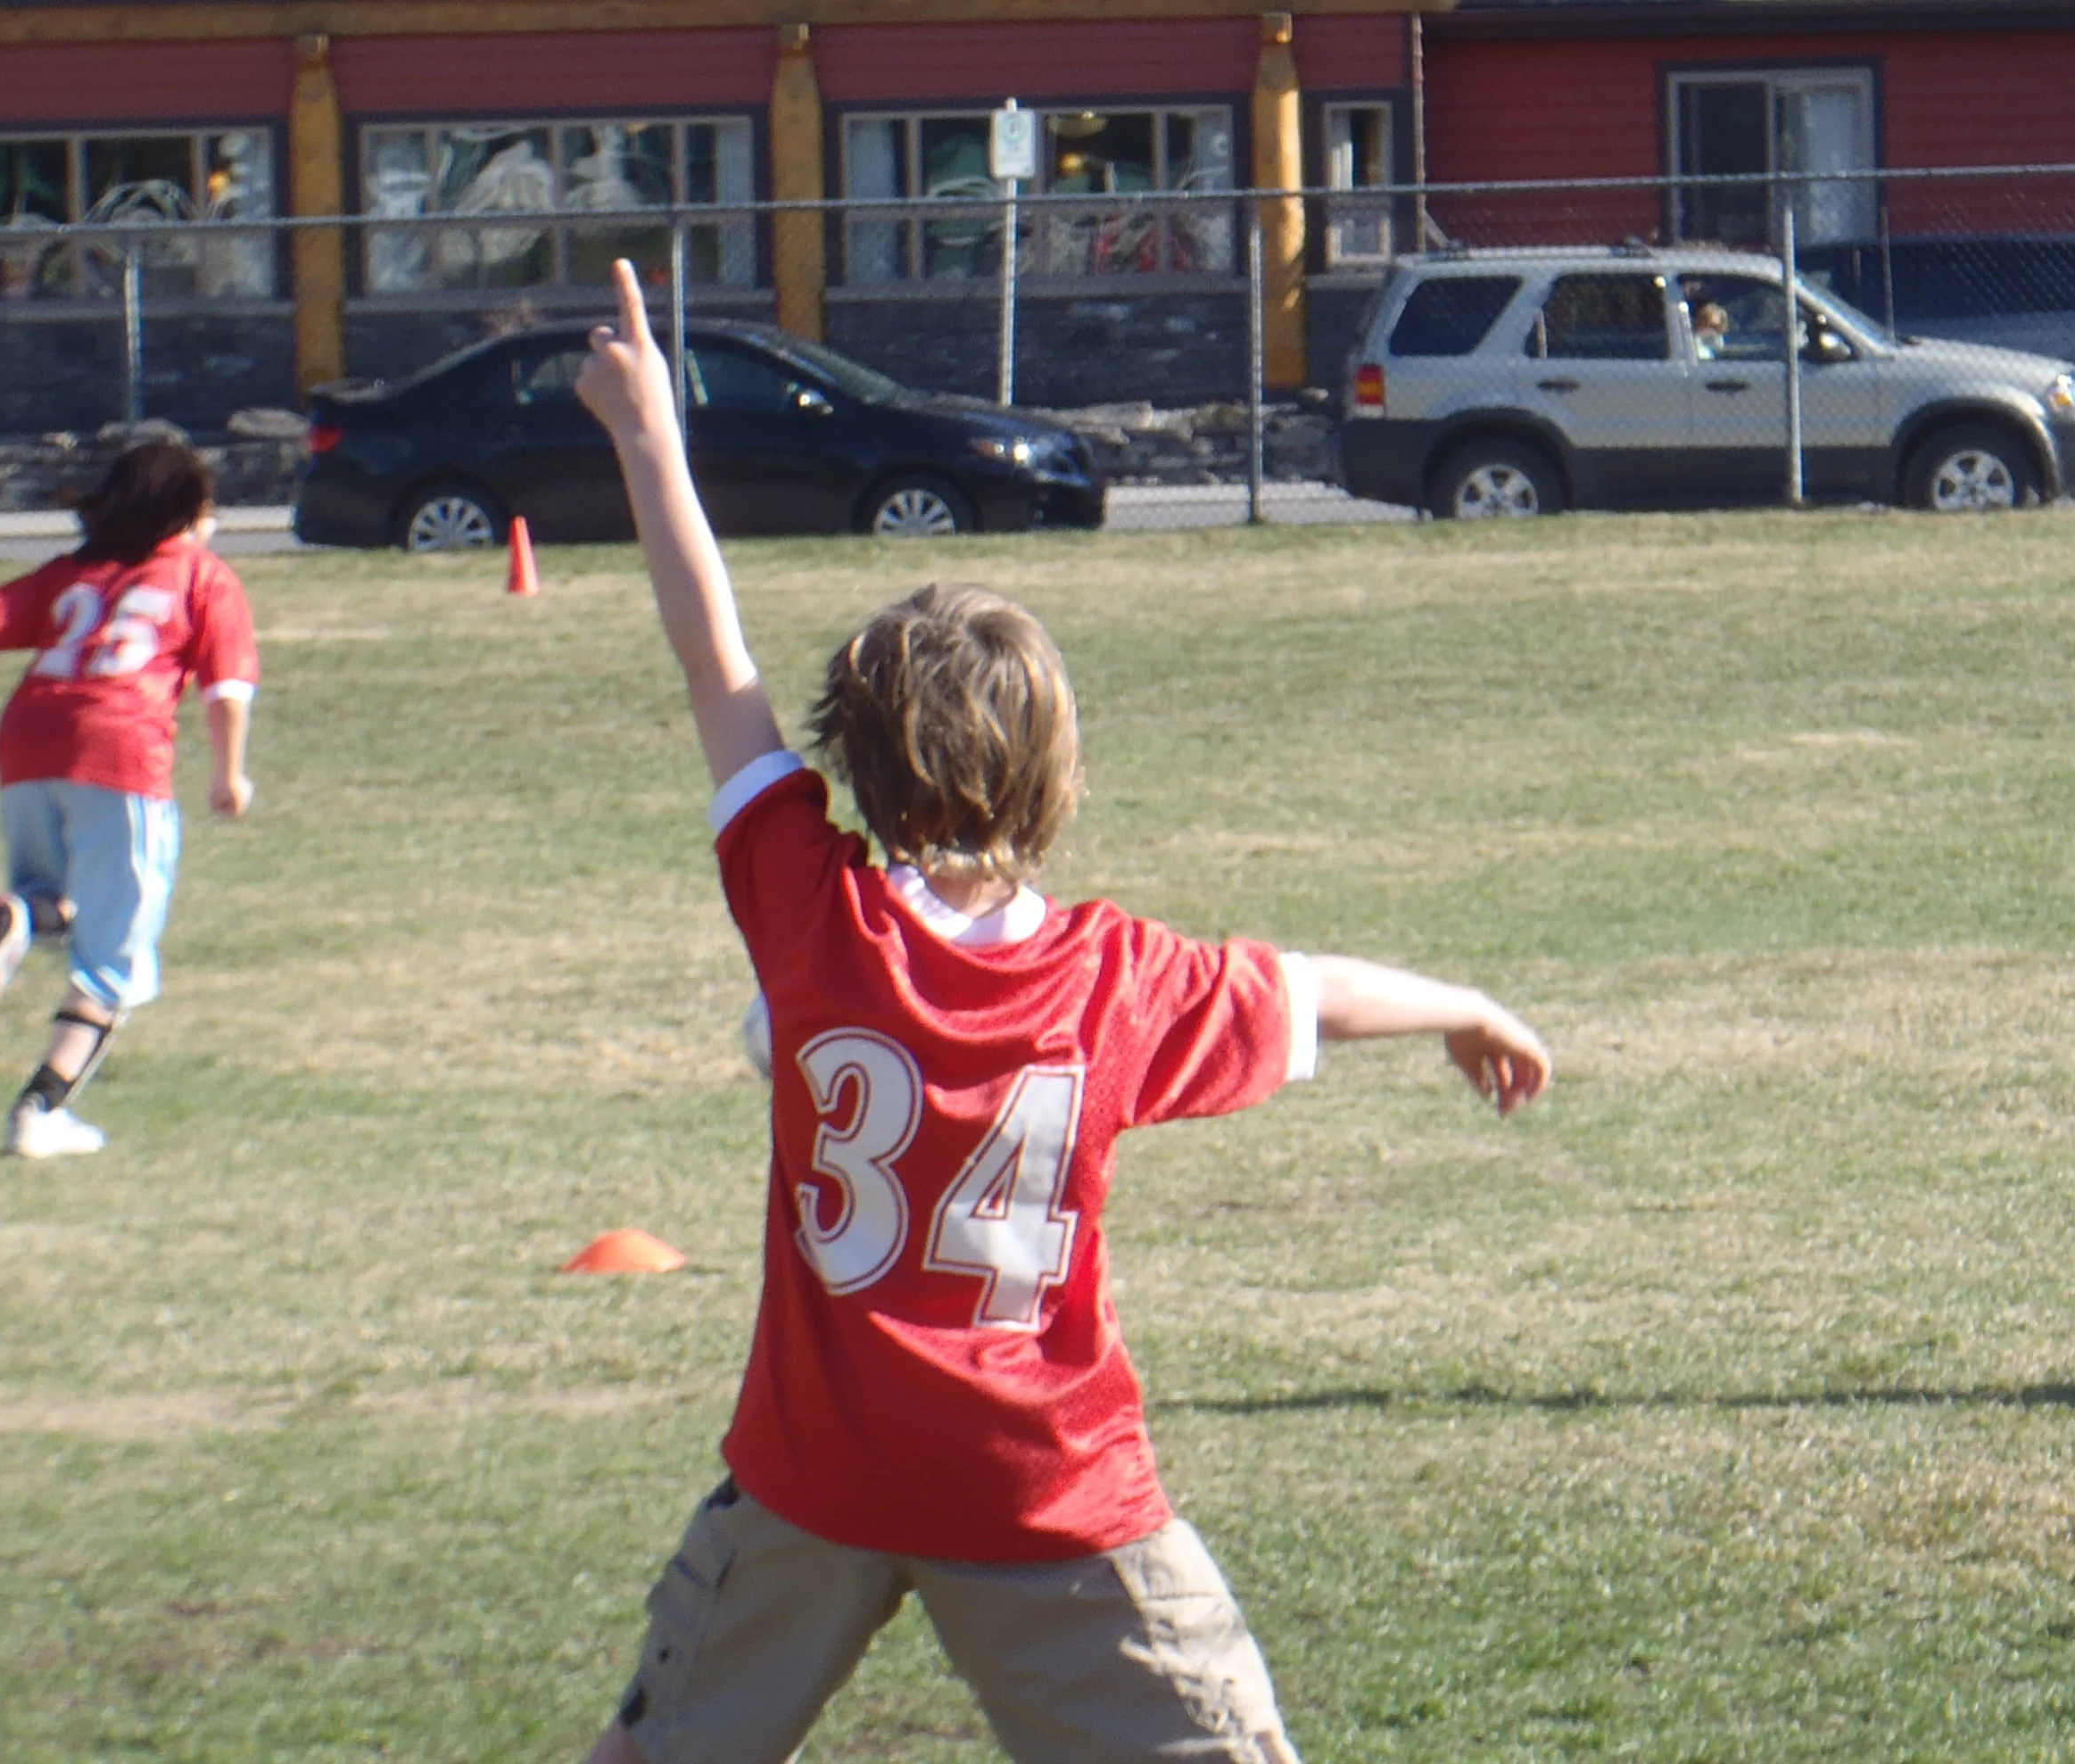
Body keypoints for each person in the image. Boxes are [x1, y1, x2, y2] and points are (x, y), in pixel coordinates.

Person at [567, 260, 1552, 1764]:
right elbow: (1314, 990)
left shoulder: (805, 909)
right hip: (1036, 1485)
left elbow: (716, 659)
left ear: (854, 761)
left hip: (813, 1477)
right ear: (1052, 773)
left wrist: (650, 440)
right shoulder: (1113, 976)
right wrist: (1464, 1002)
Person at [0, 439, 258, 1159]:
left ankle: (16, 916)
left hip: (27, 741)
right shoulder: (204, 576)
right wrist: (229, 775)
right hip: (121, 752)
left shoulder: (75, 574)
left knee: (59, 903)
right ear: (185, 513)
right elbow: (228, 691)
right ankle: (38, 1113)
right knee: (114, 961)